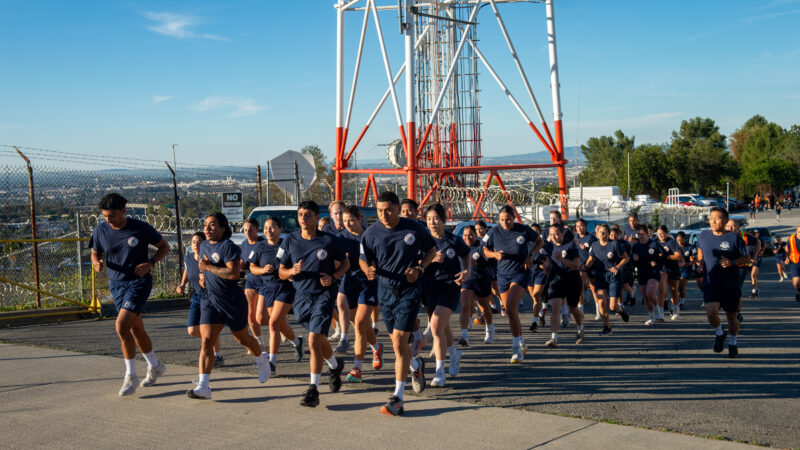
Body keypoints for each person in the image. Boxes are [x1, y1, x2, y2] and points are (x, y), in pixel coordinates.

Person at [360, 191, 436, 416]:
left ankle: (398, 398)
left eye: (389, 210)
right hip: (385, 290)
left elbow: (432, 250)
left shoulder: (414, 228)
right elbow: (363, 258)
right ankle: (416, 367)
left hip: (409, 289)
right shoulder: (371, 233)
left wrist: (420, 268)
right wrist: (368, 270)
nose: (384, 214)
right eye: (380, 210)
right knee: (397, 344)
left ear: (397, 209)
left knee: (399, 343)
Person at [91, 193, 170, 396]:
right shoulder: (100, 230)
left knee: (121, 325)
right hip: (117, 284)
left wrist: (150, 263)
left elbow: (164, 247)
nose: (109, 220)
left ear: (123, 211)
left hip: (139, 281)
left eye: (113, 215)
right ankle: (155, 366)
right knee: (135, 329)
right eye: (105, 216)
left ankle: (130, 376)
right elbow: (95, 252)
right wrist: (96, 262)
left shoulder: (140, 228)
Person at [189, 212, 270, 399]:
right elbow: (203, 268)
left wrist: (209, 268)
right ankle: (203, 385)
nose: (207, 229)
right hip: (210, 300)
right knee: (207, 341)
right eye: (205, 225)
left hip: (231, 301)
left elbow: (233, 274)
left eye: (212, 225)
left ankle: (261, 357)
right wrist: (203, 276)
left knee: (242, 338)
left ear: (223, 228)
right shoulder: (203, 247)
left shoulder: (228, 247)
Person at [278, 200, 349, 408]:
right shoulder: (290, 241)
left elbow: (346, 263)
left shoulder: (328, 240)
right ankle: (335, 366)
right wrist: (292, 271)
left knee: (312, 341)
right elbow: (281, 271)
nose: (303, 218)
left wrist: (334, 276)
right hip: (301, 298)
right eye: (300, 214)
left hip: (324, 296)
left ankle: (313, 389)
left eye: (308, 214)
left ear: (317, 217)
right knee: (318, 341)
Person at [483, 205, 544, 363]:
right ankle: (522, 342)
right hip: (502, 275)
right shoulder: (494, 232)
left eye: (508, 220)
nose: (505, 223)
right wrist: (494, 254)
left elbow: (539, 241)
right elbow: (484, 250)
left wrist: (530, 255)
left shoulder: (523, 230)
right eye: (502, 220)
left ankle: (516, 349)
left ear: (514, 218)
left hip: (520, 273)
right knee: (511, 313)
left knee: (510, 308)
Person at [422, 204, 470, 387]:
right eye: (428, 219)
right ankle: (454, 352)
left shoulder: (454, 240)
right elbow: (415, 262)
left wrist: (466, 271)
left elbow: (466, 255)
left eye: (435, 218)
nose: (432, 222)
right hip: (429, 286)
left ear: (443, 220)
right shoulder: (423, 241)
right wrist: (430, 260)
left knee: (435, 326)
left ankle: (439, 372)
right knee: (441, 326)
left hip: (449, 286)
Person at [249, 217, 304, 376]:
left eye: (272, 227)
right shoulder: (259, 246)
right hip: (267, 287)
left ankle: (272, 362)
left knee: (274, 323)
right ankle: (297, 341)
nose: (268, 231)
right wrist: (262, 270)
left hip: (285, 287)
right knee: (271, 321)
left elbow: (295, 264)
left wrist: (292, 273)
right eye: (265, 228)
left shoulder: (286, 245)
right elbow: (252, 267)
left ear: (280, 229)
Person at [336, 205, 383, 383]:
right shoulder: (340, 238)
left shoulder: (369, 235)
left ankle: (357, 367)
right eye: (344, 220)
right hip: (349, 282)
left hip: (369, 282)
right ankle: (376, 347)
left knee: (361, 324)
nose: (347, 224)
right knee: (358, 324)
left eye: (351, 220)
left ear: (359, 219)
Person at [696, 207, 749, 358]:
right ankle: (720, 333)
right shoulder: (703, 236)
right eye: (711, 218)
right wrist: (700, 263)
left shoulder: (735, 238)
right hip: (711, 282)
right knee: (711, 313)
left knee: (731, 317)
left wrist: (732, 262)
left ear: (725, 221)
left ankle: (733, 343)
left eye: (717, 218)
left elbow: (747, 259)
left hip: (730, 283)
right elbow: (700, 250)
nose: (713, 221)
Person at [176, 231, 223, 367]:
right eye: (193, 242)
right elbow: (187, 270)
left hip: (210, 296)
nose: (196, 245)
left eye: (199, 242)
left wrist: (208, 277)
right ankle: (211, 338)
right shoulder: (189, 258)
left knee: (209, 329)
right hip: (196, 296)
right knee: (192, 330)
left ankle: (218, 356)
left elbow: (218, 274)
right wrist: (182, 284)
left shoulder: (209, 258)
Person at [584, 223, 630, 335]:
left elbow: (626, 258)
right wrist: (585, 266)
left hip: (613, 276)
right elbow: (591, 259)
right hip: (600, 277)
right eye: (600, 232)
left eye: (605, 232)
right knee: (601, 302)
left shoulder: (614, 244)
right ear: (597, 233)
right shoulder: (594, 245)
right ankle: (607, 327)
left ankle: (621, 311)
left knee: (613, 306)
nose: (602, 234)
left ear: (609, 234)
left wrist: (617, 266)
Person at [543, 226, 585, 347]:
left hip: (572, 278)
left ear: (562, 234)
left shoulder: (571, 246)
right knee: (556, 307)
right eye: (551, 234)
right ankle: (553, 338)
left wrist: (562, 259)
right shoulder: (549, 246)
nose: (554, 237)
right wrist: (546, 267)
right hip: (556, 279)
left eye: (556, 234)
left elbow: (576, 266)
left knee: (573, 308)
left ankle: (580, 328)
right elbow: (548, 261)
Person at [460, 225, 495, 344]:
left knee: (484, 307)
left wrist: (477, 263)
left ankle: (489, 329)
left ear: (475, 235)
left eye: (470, 234)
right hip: (467, 281)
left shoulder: (481, 246)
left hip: (481, 279)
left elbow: (489, 262)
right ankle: (464, 336)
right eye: (465, 235)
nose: (467, 237)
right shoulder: (460, 246)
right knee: (465, 305)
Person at [240, 218, 266, 351]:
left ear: (257, 229)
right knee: (250, 316)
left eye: (250, 230)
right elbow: (244, 264)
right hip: (250, 281)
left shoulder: (264, 243)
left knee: (262, 318)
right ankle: (259, 342)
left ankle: (281, 327)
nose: (247, 233)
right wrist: (241, 266)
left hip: (265, 282)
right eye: (245, 230)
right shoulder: (244, 245)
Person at [631, 224, 662, 325]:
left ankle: (657, 309)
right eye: (638, 234)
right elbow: (632, 261)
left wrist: (656, 262)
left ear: (647, 233)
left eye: (642, 234)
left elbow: (663, 257)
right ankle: (651, 317)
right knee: (645, 295)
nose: (640, 236)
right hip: (642, 272)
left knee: (650, 293)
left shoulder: (654, 244)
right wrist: (634, 259)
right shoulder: (635, 246)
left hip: (653, 272)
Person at [655, 225, 682, 320]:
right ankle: (660, 312)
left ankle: (675, 310)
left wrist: (666, 256)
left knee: (674, 290)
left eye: (662, 233)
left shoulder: (671, 242)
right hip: (662, 268)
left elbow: (678, 255)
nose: (661, 235)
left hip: (673, 268)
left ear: (666, 233)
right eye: (659, 234)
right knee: (661, 289)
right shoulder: (655, 242)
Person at [528, 222, 550, 332]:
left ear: (540, 233)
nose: (533, 233)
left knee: (537, 295)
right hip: (529, 272)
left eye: (536, 231)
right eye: (531, 231)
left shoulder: (545, 244)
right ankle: (541, 314)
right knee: (534, 298)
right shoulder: (526, 244)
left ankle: (534, 322)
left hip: (541, 273)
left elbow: (549, 259)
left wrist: (545, 264)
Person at [574, 219, 598, 320]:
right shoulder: (575, 238)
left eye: (581, 226)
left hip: (592, 265)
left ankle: (599, 311)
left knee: (594, 288)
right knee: (579, 288)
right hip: (580, 266)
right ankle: (581, 312)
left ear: (586, 226)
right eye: (577, 226)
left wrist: (587, 249)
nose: (579, 228)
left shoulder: (591, 237)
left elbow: (596, 252)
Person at [675, 231, 697, 309]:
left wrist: (690, 263)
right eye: (678, 241)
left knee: (682, 284)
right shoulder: (674, 247)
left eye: (681, 240)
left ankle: (682, 302)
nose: (679, 243)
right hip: (676, 268)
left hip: (686, 269)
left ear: (684, 239)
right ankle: (674, 302)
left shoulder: (691, 247)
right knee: (676, 287)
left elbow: (696, 259)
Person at [785, 225, 800, 302]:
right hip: (795, 262)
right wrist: (787, 258)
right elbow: (787, 247)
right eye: (799, 232)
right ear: (796, 232)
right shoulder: (791, 239)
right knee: (796, 281)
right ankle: (798, 290)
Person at [749, 229, 765, 299]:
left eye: (751, 236)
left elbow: (764, 245)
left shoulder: (757, 240)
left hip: (757, 258)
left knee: (753, 274)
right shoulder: (745, 241)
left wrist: (762, 251)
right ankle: (755, 289)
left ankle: (754, 292)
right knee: (753, 276)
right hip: (748, 260)